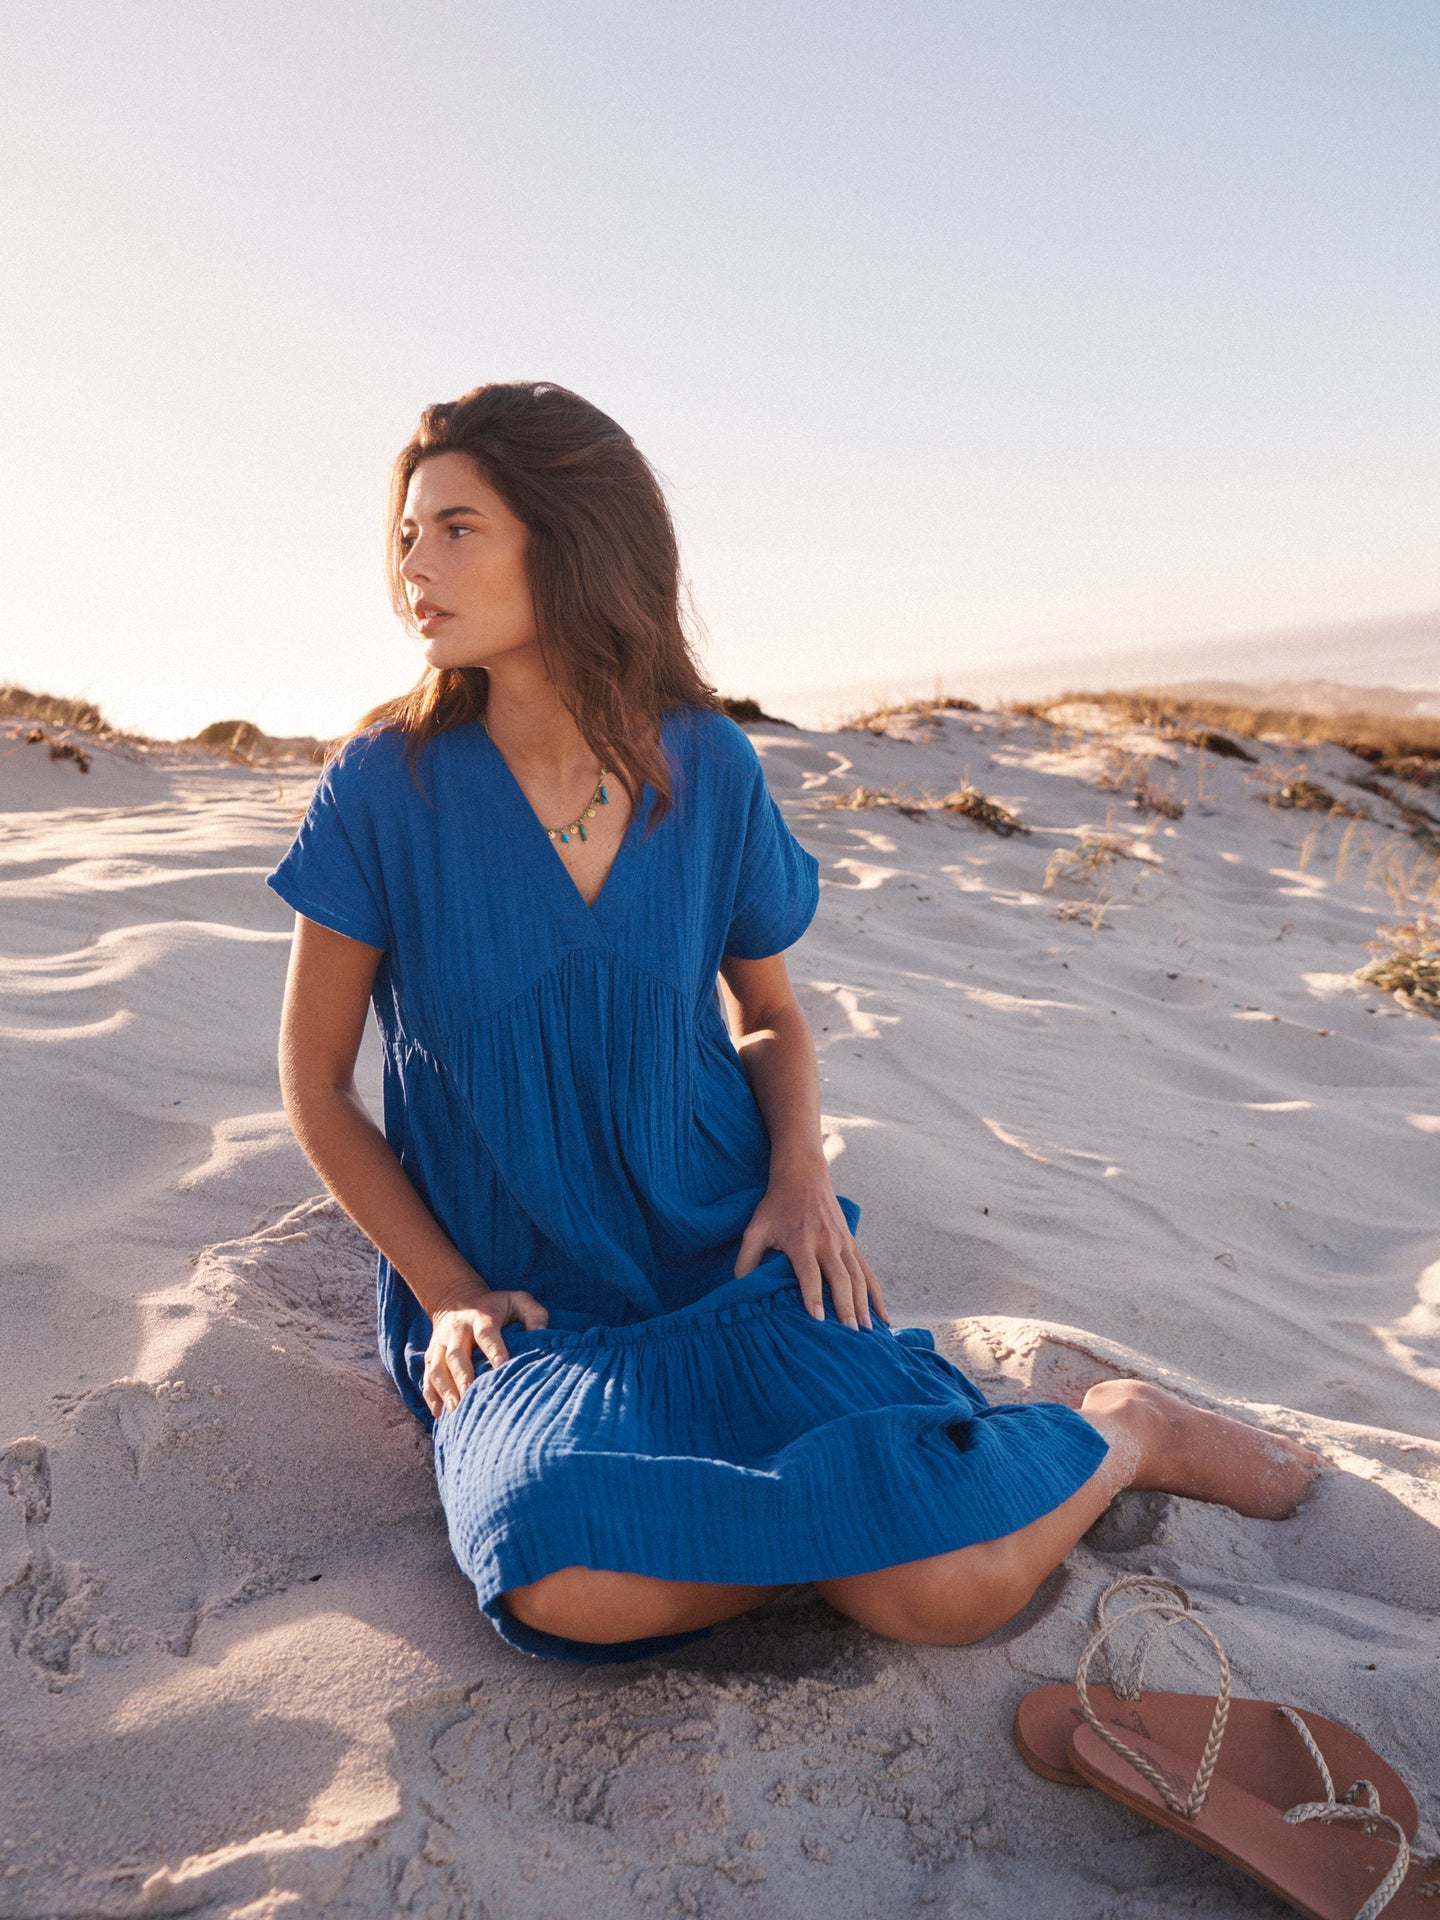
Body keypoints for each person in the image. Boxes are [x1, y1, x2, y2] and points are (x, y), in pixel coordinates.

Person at [269, 381, 1319, 1664]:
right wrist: (447, 1295)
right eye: (406, 535)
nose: (411, 567)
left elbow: (768, 1016)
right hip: (527, 1300)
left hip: (729, 1250)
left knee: (953, 1595)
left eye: (456, 528)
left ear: (573, 540)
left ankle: (1127, 1431)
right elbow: (318, 1085)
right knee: (561, 1574)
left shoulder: (708, 768)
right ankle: (867, 1530)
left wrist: (799, 1175)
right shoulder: (384, 788)